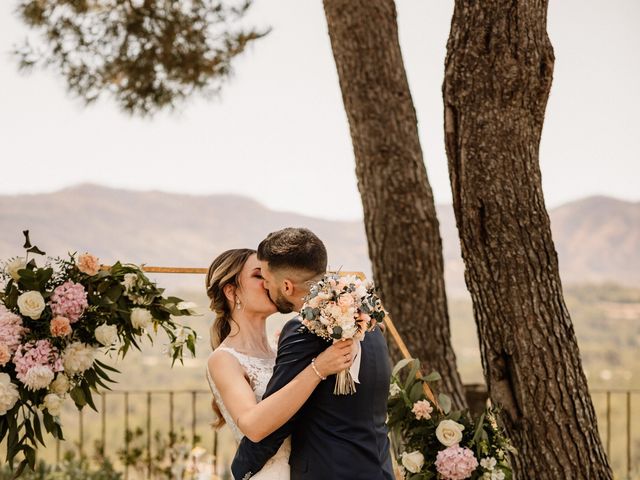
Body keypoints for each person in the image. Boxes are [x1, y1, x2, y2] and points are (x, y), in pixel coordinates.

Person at [231, 228, 394, 480]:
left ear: (286, 286)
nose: (264, 285)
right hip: (379, 470)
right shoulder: (368, 324)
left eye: (265, 278)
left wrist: (241, 468)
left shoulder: (303, 329)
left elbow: (277, 422)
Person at [205, 248, 355, 479]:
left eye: (268, 274)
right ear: (231, 291)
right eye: (258, 275)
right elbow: (254, 427)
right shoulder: (223, 360)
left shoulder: (280, 350)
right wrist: (318, 369)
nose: (268, 282)